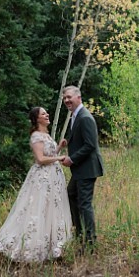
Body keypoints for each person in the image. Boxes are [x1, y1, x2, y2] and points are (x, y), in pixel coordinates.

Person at [0, 106, 72, 263]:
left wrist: (59, 147)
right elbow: (41, 159)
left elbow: (49, 154)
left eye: (46, 113)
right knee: (39, 208)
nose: (47, 114)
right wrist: (59, 158)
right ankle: (31, 247)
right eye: (43, 113)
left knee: (51, 209)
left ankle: (54, 248)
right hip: (42, 178)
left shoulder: (46, 135)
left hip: (53, 178)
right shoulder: (36, 136)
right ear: (37, 119)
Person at [59, 85, 104, 251]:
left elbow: (90, 145)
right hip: (81, 169)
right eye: (64, 98)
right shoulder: (75, 115)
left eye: (69, 97)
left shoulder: (85, 117)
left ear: (78, 97)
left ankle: (90, 243)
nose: (66, 100)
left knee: (85, 204)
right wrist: (68, 142)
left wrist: (72, 159)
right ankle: (79, 233)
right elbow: (80, 138)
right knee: (71, 194)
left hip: (87, 168)